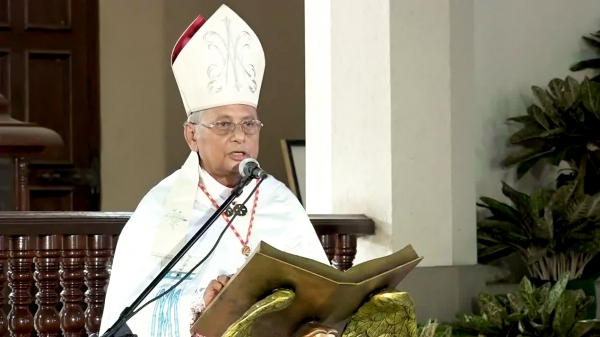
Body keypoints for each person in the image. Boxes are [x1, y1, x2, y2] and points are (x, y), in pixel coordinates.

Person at [98, 4, 331, 337]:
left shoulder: (280, 200)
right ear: (192, 135)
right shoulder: (159, 209)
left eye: (249, 123)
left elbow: (320, 291)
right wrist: (198, 304)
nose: (240, 135)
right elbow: (132, 314)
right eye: (224, 124)